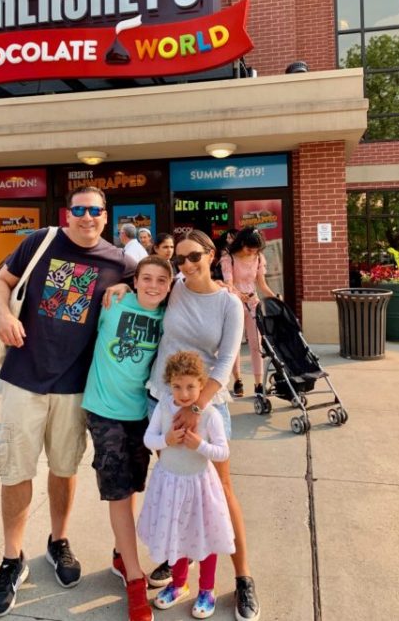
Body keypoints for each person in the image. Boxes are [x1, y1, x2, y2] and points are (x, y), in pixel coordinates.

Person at [0, 186, 136, 619]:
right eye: (79, 209)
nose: (87, 217)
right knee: (16, 470)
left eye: (95, 210)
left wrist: (125, 287)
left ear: (106, 216)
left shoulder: (121, 262)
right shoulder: (41, 240)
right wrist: (4, 314)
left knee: (65, 468)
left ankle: (58, 541)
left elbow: (158, 286)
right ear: (67, 213)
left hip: (75, 385)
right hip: (24, 377)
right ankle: (12, 559)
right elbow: (0, 283)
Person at [104, 230, 261, 621]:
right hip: (161, 401)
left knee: (220, 492)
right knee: (179, 487)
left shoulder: (228, 303)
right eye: (181, 259)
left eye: (195, 257)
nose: (187, 265)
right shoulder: (173, 287)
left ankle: (243, 577)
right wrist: (122, 289)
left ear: (211, 255)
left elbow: (225, 362)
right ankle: (182, 562)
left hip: (205, 406)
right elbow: (146, 288)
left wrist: (197, 407)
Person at [82, 255, 172, 621]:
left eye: (161, 280)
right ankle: (135, 579)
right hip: (104, 410)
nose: (153, 286)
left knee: (133, 485)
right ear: (135, 280)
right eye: (146, 278)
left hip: (140, 413)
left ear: (169, 286)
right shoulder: (114, 302)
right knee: (118, 490)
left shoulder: (166, 317)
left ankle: (122, 555)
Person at [138, 350, 235, 620]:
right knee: (177, 534)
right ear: (169, 385)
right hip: (170, 484)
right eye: (177, 386)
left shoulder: (210, 414)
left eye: (191, 386)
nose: (183, 393)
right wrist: (166, 440)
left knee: (204, 537)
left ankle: (207, 589)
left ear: (201, 385)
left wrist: (200, 446)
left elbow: (223, 452)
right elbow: (148, 438)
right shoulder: (163, 407)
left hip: (199, 485)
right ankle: (179, 584)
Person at [220, 228, 277, 398]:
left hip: (253, 303)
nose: (252, 252)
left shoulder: (258, 258)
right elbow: (229, 284)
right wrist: (239, 294)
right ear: (242, 243)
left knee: (256, 344)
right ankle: (237, 380)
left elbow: (262, 284)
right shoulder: (228, 258)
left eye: (255, 249)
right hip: (234, 303)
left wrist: (275, 298)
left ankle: (259, 384)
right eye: (249, 249)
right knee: (235, 343)